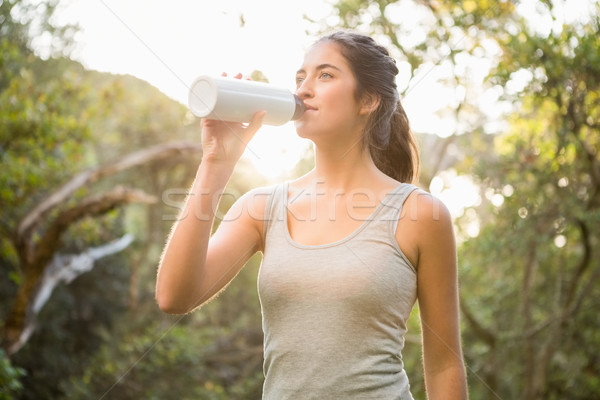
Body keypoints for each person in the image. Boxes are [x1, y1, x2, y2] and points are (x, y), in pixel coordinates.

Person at [156, 31, 468, 399]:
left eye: (325, 75)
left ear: (368, 99)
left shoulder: (420, 214)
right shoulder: (262, 208)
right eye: (300, 78)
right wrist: (216, 163)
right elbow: (174, 297)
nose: (303, 90)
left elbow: (445, 363)